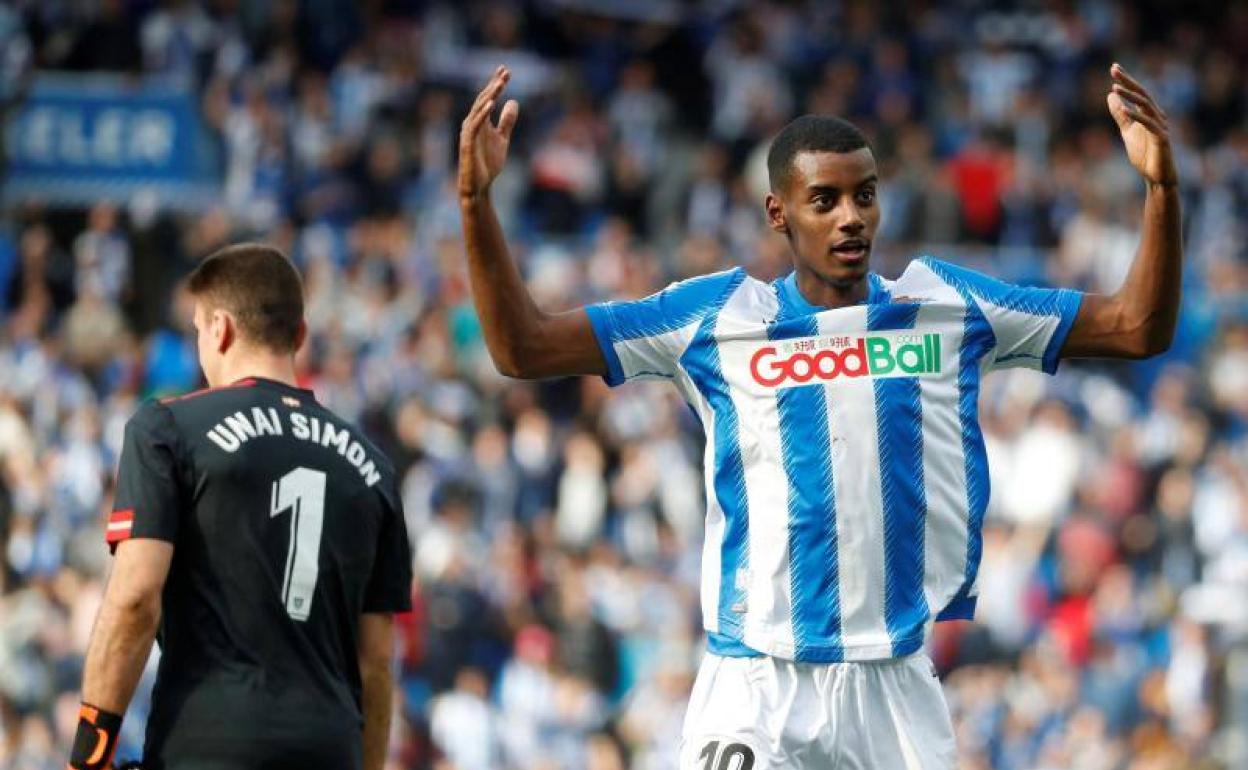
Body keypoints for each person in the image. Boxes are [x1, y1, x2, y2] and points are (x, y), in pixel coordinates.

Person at [457, 63, 1180, 768]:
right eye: (825, 200)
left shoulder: (948, 306)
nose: (850, 217)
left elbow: (1136, 327)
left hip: (894, 685)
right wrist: (475, 204)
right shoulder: (716, 317)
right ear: (779, 212)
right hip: (757, 681)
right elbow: (524, 347)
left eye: (864, 196)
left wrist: (1161, 188)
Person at [67, 245, 412, 770]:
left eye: (197, 331)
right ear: (299, 335)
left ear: (220, 329)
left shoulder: (168, 428)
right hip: (330, 747)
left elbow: (135, 598)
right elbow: (377, 663)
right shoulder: (374, 467)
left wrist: (88, 756)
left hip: (209, 743)